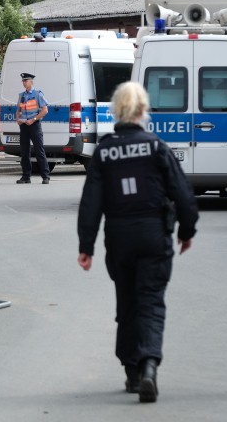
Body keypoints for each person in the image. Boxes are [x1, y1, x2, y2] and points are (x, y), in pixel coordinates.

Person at [77, 81, 198, 404]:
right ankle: (148, 366)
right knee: (151, 302)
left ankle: (131, 371)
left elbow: (91, 202)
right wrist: (187, 231)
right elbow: (182, 193)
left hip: (119, 238)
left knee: (127, 303)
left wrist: (85, 247)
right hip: (154, 235)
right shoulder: (157, 146)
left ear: (117, 111)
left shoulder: (104, 151)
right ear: (144, 111)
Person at [16, 72, 50, 184]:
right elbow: (18, 110)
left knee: (39, 150)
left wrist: (34, 119)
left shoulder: (37, 94)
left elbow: (45, 110)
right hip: (24, 126)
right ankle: (26, 176)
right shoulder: (21, 95)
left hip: (34, 125)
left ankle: (45, 176)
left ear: (31, 82)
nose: (23, 83)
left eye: (25, 81)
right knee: (24, 152)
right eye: (23, 81)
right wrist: (18, 119)